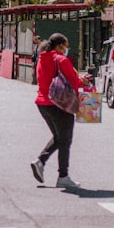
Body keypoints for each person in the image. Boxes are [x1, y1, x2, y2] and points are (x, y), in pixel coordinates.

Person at [30, 33, 86, 188]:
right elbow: (73, 82)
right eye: (65, 46)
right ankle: (63, 176)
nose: (66, 49)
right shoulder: (61, 60)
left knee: (59, 137)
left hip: (42, 103)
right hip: (60, 104)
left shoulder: (42, 58)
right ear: (60, 45)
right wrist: (83, 81)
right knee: (65, 140)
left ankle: (40, 162)